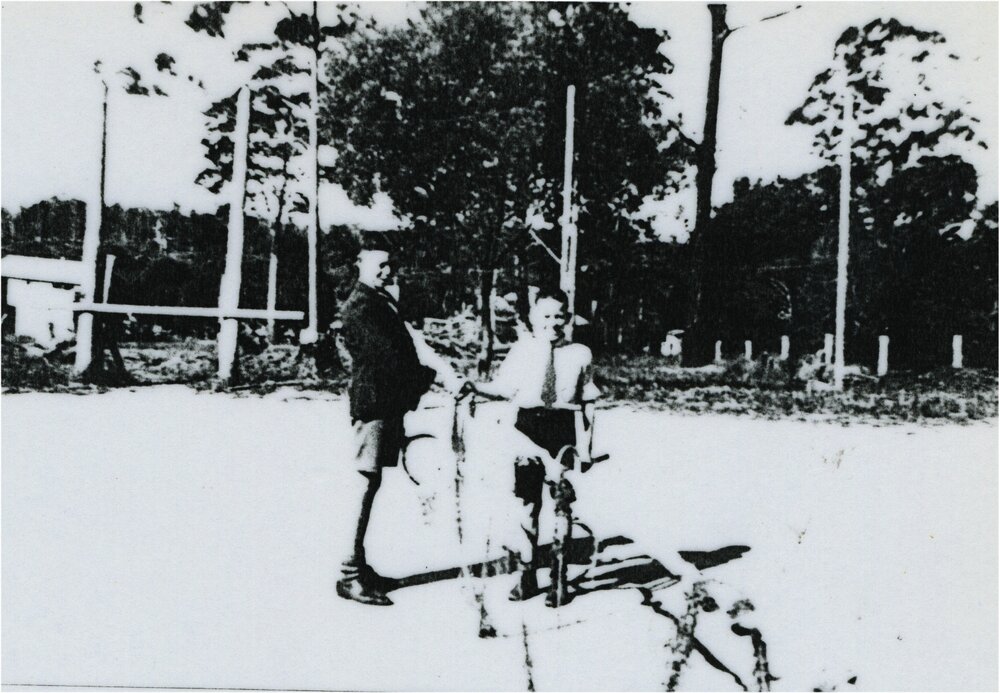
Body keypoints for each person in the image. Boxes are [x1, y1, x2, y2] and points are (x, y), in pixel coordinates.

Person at [337, 245, 454, 606]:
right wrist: (430, 378)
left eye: (390, 266)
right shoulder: (361, 306)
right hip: (375, 405)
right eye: (380, 266)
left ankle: (359, 567)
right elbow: (388, 359)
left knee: (371, 485)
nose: (387, 271)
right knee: (365, 483)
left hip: (385, 405)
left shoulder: (380, 301)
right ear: (361, 268)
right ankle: (350, 574)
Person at [472, 287, 600, 602]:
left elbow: (588, 404)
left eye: (559, 315)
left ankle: (559, 577)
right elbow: (502, 389)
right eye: (546, 315)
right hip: (526, 429)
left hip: (561, 431)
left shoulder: (580, 353)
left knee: (560, 505)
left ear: (568, 317)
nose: (553, 322)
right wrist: (473, 388)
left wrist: (587, 449)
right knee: (527, 504)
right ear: (533, 317)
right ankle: (525, 574)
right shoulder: (521, 351)